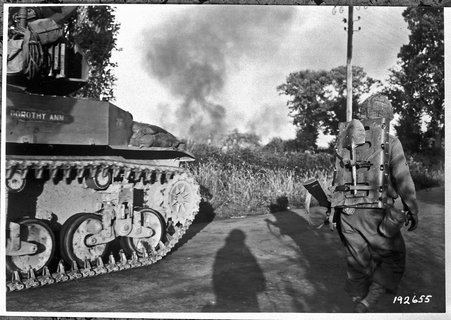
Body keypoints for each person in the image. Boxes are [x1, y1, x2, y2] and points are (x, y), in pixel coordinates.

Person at [335, 94, 419, 313]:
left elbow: (338, 176)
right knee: (393, 257)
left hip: (347, 212)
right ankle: (367, 302)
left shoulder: (345, 139)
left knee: (357, 259)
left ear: (364, 114)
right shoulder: (390, 140)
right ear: (386, 116)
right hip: (375, 212)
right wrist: (412, 208)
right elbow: (403, 177)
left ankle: (356, 298)